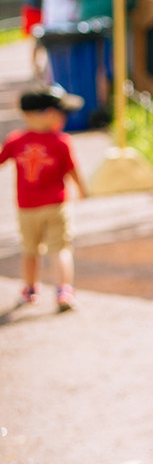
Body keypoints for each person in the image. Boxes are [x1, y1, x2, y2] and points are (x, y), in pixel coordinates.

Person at [6, 84, 88, 313]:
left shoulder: (16, 141)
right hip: (56, 206)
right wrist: (83, 189)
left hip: (27, 209)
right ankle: (64, 290)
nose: (63, 117)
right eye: (61, 112)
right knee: (60, 248)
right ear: (46, 113)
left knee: (30, 249)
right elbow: (73, 169)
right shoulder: (60, 141)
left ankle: (30, 289)